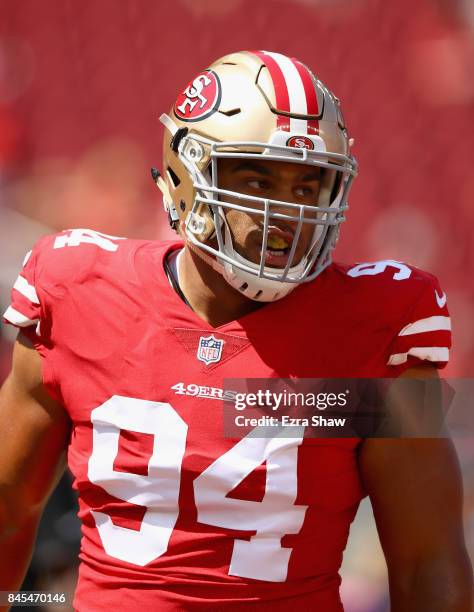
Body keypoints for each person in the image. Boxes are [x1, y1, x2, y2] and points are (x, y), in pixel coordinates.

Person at [0, 50, 472, 611]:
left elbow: (428, 561)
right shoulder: (76, 291)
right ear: (187, 175)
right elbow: (8, 508)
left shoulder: (380, 322)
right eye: (258, 179)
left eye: (308, 185)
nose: (286, 212)